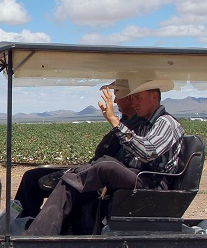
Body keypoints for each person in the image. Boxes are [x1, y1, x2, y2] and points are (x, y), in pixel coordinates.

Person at [24, 78, 184, 236]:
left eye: (138, 98)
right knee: (78, 177)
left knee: (106, 166)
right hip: (140, 175)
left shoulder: (166, 123)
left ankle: (37, 237)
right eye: (132, 98)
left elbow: (147, 152)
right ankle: (42, 230)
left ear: (154, 97)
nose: (134, 103)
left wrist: (114, 121)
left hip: (153, 183)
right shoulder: (145, 123)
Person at [12, 79, 140, 219]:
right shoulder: (126, 123)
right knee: (33, 176)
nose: (114, 101)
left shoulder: (133, 128)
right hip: (90, 173)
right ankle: (22, 221)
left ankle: (22, 226)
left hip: (96, 181)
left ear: (128, 98)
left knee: (33, 180)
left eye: (117, 94)